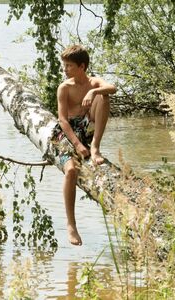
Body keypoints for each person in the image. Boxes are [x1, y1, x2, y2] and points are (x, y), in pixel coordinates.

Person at [51, 45, 116, 246]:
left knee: (103, 96)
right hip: (66, 132)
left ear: (82, 66)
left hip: (86, 128)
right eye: (64, 65)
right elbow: (62, 120)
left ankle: (95, 146)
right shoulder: (64, 87)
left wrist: (93, 92)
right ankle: (71, 225)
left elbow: (112, 88)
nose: (65, 69)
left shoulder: (93, 82)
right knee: (71, 170)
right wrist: (78, 145)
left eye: (69, 66)